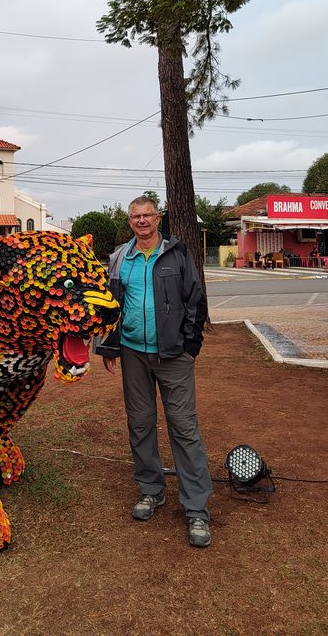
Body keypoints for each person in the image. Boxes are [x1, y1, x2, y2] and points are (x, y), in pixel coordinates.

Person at [96, 195, 212, 548]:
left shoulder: (176, 254)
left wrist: (191, 346)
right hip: (134, 354)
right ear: (129, 221)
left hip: (174, 355)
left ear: (157, 218)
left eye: (147, 215)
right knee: (141, 422)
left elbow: (195, 298)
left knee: (184, 426)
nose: (142, 221)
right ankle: (151, 490)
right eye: (135, 216)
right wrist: (110, 346)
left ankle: (196, 509)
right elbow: (108, 305)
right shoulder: (119, 258)